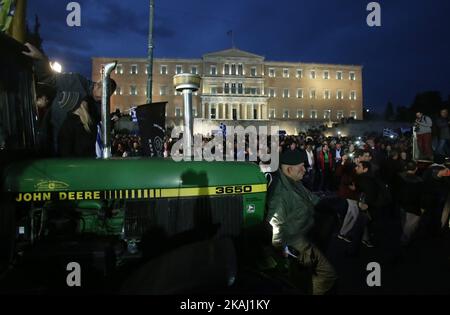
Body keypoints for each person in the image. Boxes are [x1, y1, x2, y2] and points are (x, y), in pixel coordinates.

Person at [22, 43, 116, 155]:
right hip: (50, 145)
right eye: (103, 92)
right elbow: (49, 79)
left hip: (75, 158)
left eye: (106, 96)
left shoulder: (99, 110)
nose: (102, 97)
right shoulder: (75, 81)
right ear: (98, 84)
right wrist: (40, 59)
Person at [267, 149, 337, 295]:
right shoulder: (281, 194)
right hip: (296, 242)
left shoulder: (293, 181)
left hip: (305, 235)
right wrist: (282, 251)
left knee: (307, 277)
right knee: (327, 273)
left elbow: (311, 198)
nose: (305, 169)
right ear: (288, 168)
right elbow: (274, 226)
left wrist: (337, 204)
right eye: (301, 166)